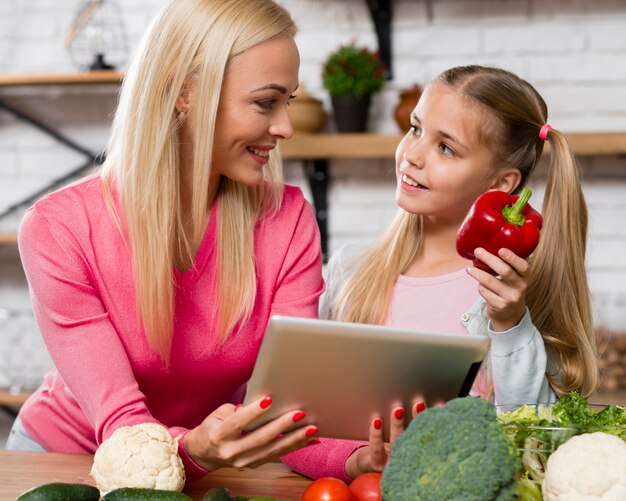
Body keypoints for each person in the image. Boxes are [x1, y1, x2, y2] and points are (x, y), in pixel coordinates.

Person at [7, 0, 329, 482]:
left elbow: (287, 409)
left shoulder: (287, 218)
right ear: (184, 93)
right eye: (266, 102)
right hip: (62, 461)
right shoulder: (59, 229)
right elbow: (124, 428)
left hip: (205, 463)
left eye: (290, 102)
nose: (284, 127)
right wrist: (197, 448)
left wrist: (358, 460)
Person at [312, 64, 599, 476]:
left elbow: (535, 443)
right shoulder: (351, 272)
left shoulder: (511, 299)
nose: (411, 154)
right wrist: (354, 462)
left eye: (446, 148)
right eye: (415, 129)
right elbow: (311, 418)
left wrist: (511, 325)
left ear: (501, 184)